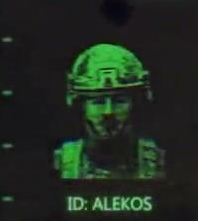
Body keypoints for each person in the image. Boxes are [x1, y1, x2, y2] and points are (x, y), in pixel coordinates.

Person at [54, 43, 165, 181]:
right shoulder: (62, 162)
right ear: (81, 105)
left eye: (119, 101)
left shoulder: (156, 161)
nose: (108, 112)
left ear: (135, 104)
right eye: (98, 102)